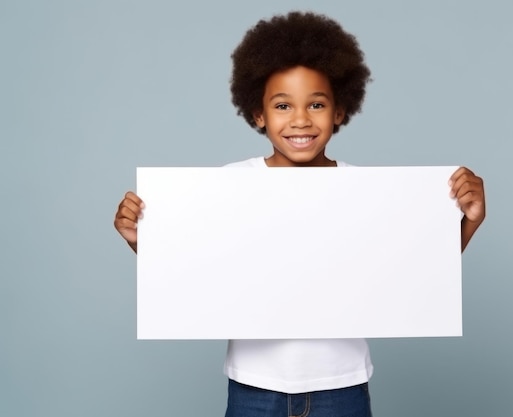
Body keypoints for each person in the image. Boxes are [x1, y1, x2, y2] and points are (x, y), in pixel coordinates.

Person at [114, 11, 486, 417]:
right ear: (258, 114)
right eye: (282, 105)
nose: (300, 119)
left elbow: (411, 272)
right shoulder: (230, 184)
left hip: (341, 385)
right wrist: (143, 242)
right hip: (254, 387)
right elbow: (197, 273)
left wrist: (469, 221)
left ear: (339, 111)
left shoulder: (368, 192)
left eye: (316, 104)